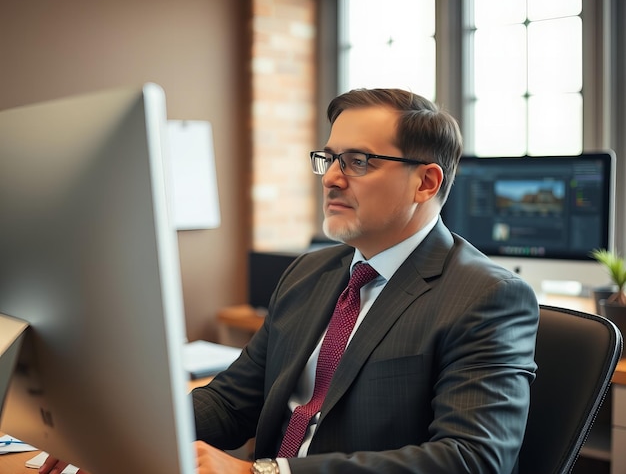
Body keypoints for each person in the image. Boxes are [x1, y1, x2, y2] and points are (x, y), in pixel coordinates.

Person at [41, 88, 539, 474]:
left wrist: (263, 471)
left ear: (426, 182)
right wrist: (116, 434)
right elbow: (234, 399)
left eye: (358, 161)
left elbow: (472, 459)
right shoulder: (310, 272)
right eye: (330, 158)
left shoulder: (487, 296)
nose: (331, 178)